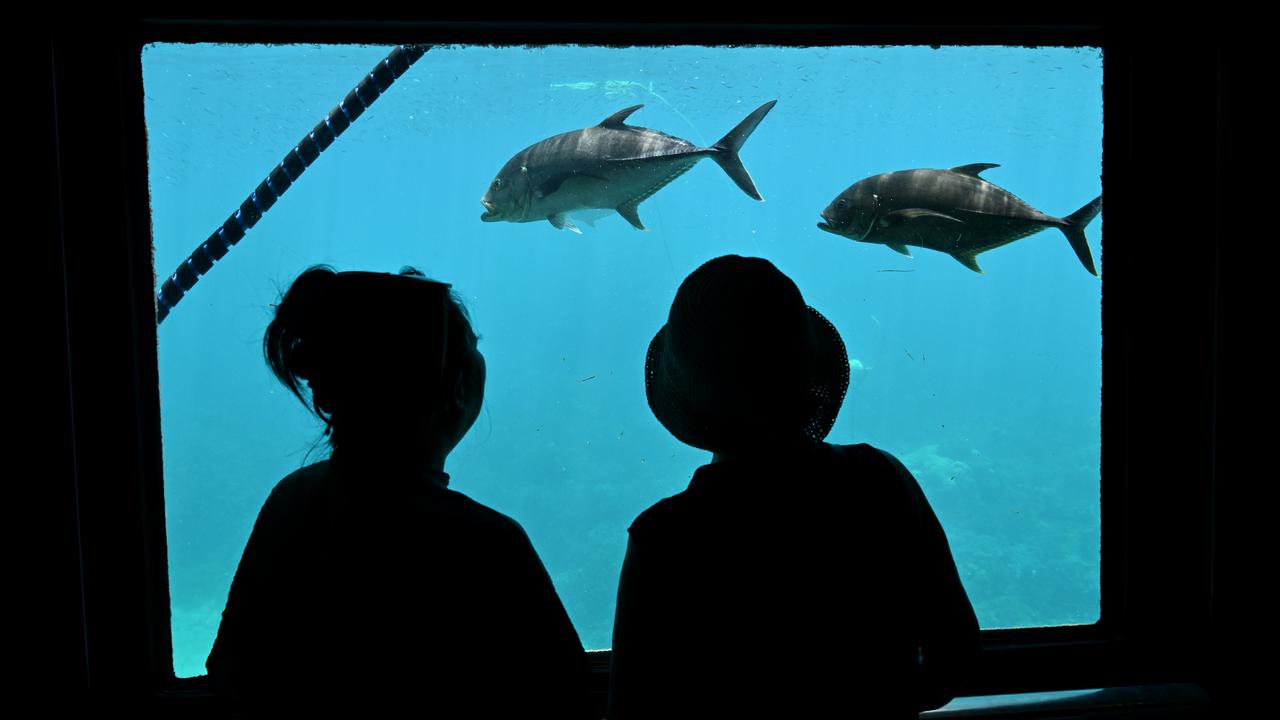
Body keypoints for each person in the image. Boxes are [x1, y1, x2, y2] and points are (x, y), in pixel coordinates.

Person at [206, 266, 591, 717]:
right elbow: (569, 703)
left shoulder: (291, 500)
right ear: (456, 388)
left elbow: (233, 668)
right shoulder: (488, 543)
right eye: (473, 346)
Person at [608, 255, 980, 718]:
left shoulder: (663, 538)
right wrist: (880, 703)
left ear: (686, 394)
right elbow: (956, 657)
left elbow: (632, 715)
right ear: (810, 374)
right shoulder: (881, 480)